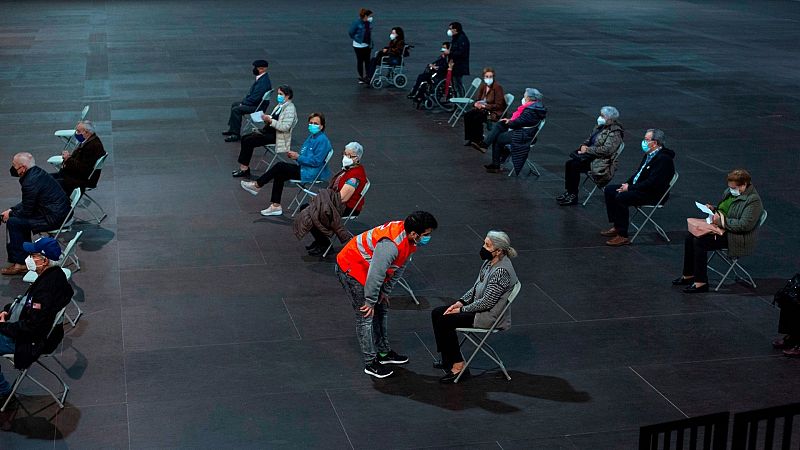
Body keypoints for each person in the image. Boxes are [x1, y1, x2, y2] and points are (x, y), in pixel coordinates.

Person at [335, 211, 438, 378]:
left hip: (367, 270)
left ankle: (383, 353)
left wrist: (384, 292)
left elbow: (398, 268)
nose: (428, 237)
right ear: (414, 233)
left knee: (382, 308)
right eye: (426, 234)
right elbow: (376, 274)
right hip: (352, 269)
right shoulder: (390, 245)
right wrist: (369, 301)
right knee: (365, 316)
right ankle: (370, 363)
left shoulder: (409, 240)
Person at [431, 230, 518, 383]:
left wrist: (461, 310)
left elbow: (487, 303)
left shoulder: (501, 271)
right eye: (484, 243)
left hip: (489, 316)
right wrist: (460, 302)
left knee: (446, 321)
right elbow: (476, 288)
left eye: (487, 245)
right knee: (437, 313)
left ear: (498, 251)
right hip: (479, 308)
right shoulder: (489, 262)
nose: (483, 247)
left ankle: (459, 366)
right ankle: (447, 358)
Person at [0, 237, 74, 403]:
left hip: (29, 342)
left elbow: (31, 327)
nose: (29, 259)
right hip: (36, 332)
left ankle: (3, 392)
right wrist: (7, 311)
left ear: (45, 260)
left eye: (33, 256)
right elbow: (27, 305)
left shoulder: (44, 291)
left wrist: (3, 327)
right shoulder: (55, 276)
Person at [673, 169, 763, 293]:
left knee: (700, 241)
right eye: (730, 186)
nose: (731, 189)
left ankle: (701, 282)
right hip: (721, 227)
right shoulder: (730, 192)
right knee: (690, 237)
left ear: (744, 185)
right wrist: (713, 208)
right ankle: (689, 275)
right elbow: (726, 209)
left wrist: (721, 221)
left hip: (735, 236)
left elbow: (744, 225)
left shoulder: (753, 201)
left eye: (734, 187)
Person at [239, 113, 332, 217]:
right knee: (280, 174)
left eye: (315, 123)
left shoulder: (322, 140)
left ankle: (257, 185)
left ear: (321, 126)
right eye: (311, 123)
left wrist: (298, 157)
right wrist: (296, 156)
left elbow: (316, 161)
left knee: (280, 166)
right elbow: (305, 155)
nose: (312, 125)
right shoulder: (312, 137)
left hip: (310, 172)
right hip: (304, 168)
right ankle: (275, 206)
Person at [602, 129, 676, 246]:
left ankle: (622, 235)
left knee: (621, 197)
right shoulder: (649, 154)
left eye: (646, 140)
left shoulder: (663, 159)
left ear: (655, 143)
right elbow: (638, 174)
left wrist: (630, 188)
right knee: (610, 190)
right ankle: (617, 225)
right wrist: (626, 185)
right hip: (639, 188)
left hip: (651, 193)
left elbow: (652, 183)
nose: (643, 142)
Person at [1, 153, 70, 276]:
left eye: (14, 166)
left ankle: (20, 263)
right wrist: (12, 210)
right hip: (58, 211)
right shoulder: (37, 172)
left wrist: (11, 214)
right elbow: (29, 202)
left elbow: (27, 210)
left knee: (14, 222)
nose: (13, 168)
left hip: (54, 217)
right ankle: (23, 257)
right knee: (16, 218)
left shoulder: (29, 182)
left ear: (23, 168)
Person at [295, 142, 368, 256]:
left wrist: (324, 199)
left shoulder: (355, 177)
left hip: (347, 206)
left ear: (357, 158)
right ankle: (321, 241)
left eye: (350, 156)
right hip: (336, 201)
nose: (346, 157)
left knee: (310, 212)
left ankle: (324, 244)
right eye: (345, 154)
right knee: (309, 208)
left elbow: (343, 198)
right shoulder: (348, 169)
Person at [557, 106, 625, 206]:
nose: (600, 118)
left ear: (610, 119)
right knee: (569, 163)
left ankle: (573, 195)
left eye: (602, 116)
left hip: (601, 162)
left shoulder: (615, 132)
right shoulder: (599, 127)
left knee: (574, 165)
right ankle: (569, 191)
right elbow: (590, 139)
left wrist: (587, 150)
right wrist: (583, 146)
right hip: (591, 156)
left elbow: (607, 151)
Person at [232, 85, 298, 178]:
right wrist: (267, 118)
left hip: (277, 136)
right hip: (269, 131)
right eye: (278, 94)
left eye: (281, 94)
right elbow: (274, 118)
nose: (278, 96)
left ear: (287, 96)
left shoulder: (290, 109)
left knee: (249, 141)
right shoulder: (280, 105)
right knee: (245, 137)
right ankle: (243, 167)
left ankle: (244, 169)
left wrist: (271, 121)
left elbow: (285, 127)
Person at [484, 88, 547, 172]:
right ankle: (495, 158)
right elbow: (521, 121)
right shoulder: (533, 107)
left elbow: (520, 122)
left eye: (524, 95)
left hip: (524, 134)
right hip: (523, 131)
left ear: (528, 98)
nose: (523, 97)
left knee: (498, 138)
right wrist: (509, 121)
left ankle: (497, 163)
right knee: (500, 126)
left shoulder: (530, 110)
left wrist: (510, 122)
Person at [51, 120, 107, 194]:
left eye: (78, 131)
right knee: (45, 178)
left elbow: (83, 169)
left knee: (48, 184)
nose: (76, 133)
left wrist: (68, 158)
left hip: (80, 180)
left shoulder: (92, 146)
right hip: (74, 176)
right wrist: (70, 157)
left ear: (87, 132)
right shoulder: (89, 141)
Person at [222, 60, 272, 142]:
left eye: (256, 68)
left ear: (262, 69)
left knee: (236, 110)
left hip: (256, 106)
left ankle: (235, 134)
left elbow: (255, 98)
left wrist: (243, 103)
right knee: (235, 104)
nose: (254, 69)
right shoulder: (262, 78)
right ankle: (232, 128)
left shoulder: (263, 83)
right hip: (255, 103)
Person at [463, 67, 506, 151]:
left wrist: (485, 106)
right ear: (484, 77)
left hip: (492, 111)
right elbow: (478, 98)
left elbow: (499, 105)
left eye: (490, 76)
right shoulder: (483, 86)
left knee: (477, 117)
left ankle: (478, 139)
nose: (488, 78)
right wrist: (476, 103)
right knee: (468, 115)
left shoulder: (497, 88)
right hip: (482, 108)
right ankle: (471, 138)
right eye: (487, 76)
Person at [348, 8, 374, 84]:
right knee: (360, 61)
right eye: (370, 16)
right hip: (358, 45)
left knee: (367, 61)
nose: (371, 18)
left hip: (367, 45)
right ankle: (361, 76)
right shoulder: (357, 22)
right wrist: (357, 39)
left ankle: (368, 76)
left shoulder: (368, 22)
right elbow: (351, 32)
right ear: (365, 16)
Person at [444, 22, 470, 91]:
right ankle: (457, 97)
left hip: (459, 66)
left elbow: (461, 52)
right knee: (455, 83)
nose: (449, 30)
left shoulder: (461, 39)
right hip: (455, 64)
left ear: (455, 29)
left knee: (457, 83)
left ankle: (460, 98)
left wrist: (450, 52)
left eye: (450, 29)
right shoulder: (456, 37)